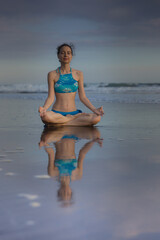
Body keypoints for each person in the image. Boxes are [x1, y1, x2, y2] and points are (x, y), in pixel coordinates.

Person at [38, 43, 104, 126]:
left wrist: (95, 110)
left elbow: (83, 97)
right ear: (58, 56)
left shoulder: (78, 74)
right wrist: (44, 109)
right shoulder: (52, 74)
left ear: (71, 56)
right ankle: (71, 121)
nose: (66, 55)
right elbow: (51, 97)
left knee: (97, 118)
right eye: (62, 53)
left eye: (68, 53)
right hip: (57, 113)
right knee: (46, 117)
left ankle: (62, 123)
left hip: (74, 113)